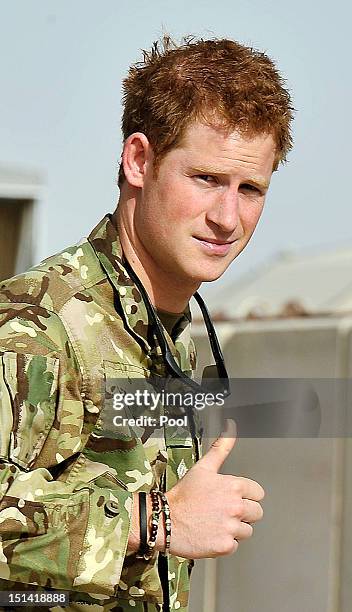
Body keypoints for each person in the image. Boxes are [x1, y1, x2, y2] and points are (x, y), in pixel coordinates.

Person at [0, 36, 293, 612]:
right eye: (206, 178)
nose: (227, 218)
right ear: (139, 161)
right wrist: (157, 521)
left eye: (250, 188)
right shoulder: (35, 324)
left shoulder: (169, 336)